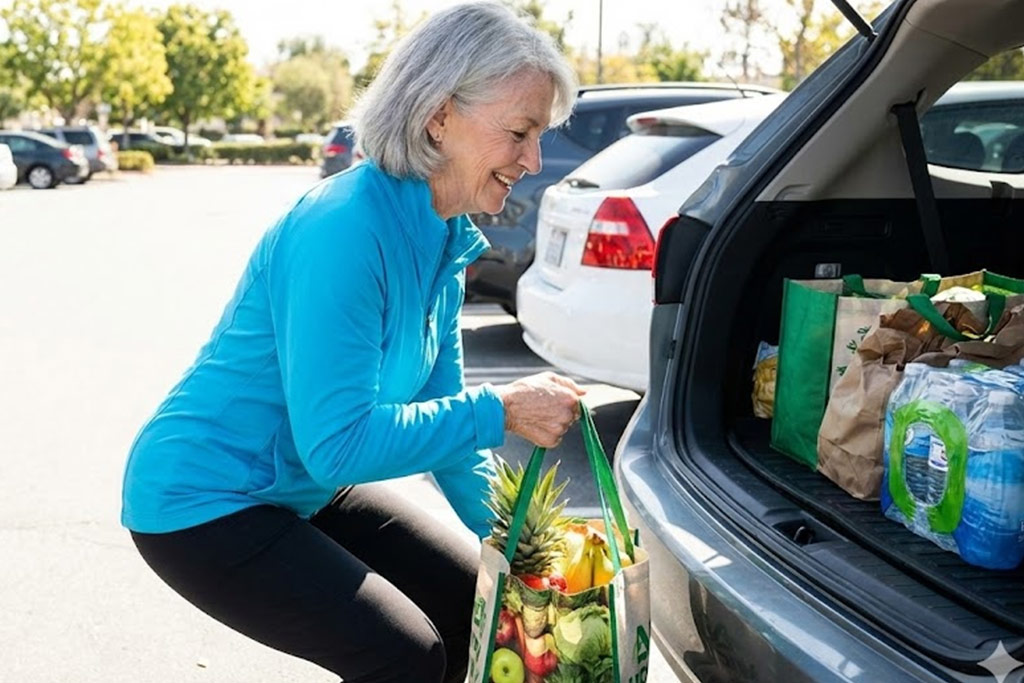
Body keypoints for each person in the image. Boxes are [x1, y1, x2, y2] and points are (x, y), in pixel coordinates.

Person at [120, 3, 582, 682]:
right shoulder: (344, 230)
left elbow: (445, 424)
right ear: (439, 115)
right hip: (205, 501)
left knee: (480, 609)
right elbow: (338, 441)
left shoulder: (443, 236)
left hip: (301, 483)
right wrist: (502, 409)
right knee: (401, 654)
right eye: (520, 131)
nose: (535, 160)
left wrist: (523, 549)